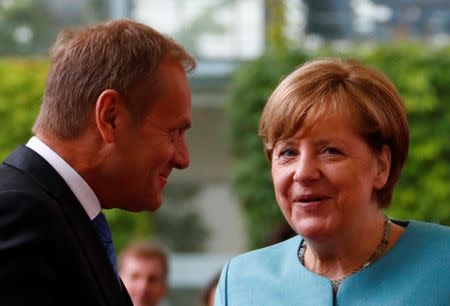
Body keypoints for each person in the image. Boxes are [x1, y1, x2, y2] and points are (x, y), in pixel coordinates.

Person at [215, 58, 450, 306]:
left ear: (381, 166)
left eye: (330, 151)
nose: (303, 173)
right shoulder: (240, 283)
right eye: (288, 153)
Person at [0, 19, 196, 306]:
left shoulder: (52, 213)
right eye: (174, 132)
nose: (183, 158)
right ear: (110, 116)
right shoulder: (19, 213)